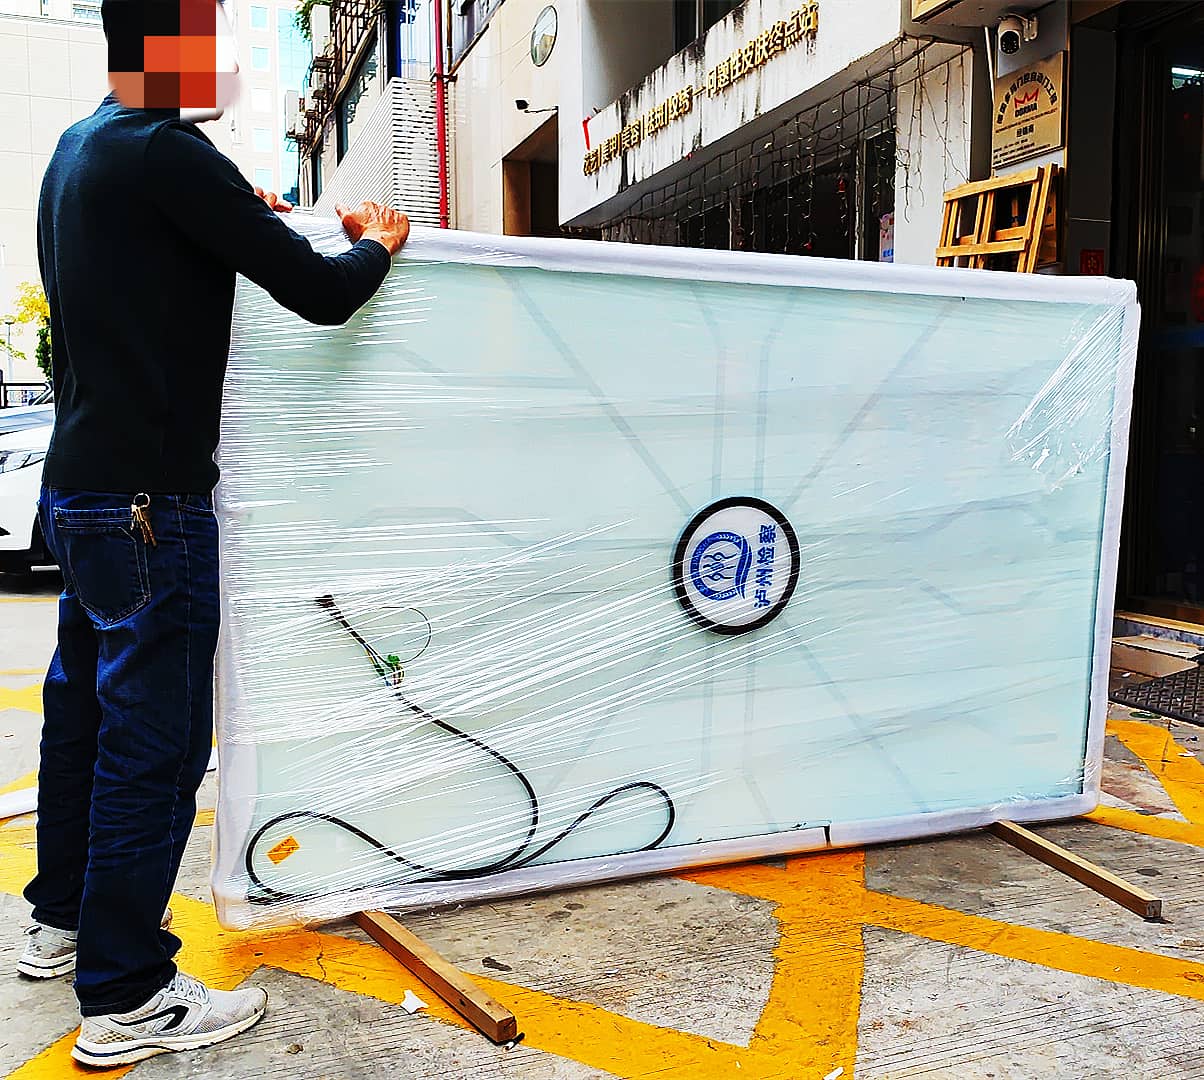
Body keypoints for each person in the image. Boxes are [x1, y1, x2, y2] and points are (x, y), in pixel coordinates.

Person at [16, 0, 409, 1068]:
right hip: (152, 506)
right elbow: (321, 293)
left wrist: (239, 211)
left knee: (84, 722)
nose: (222, 63)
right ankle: (129, 996)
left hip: (82, 491)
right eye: (207, 40)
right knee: (155, 746)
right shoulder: (167, 153)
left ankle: (61, 924)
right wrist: (378, 245)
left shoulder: (80, 150)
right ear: (168, 48)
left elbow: (157, 263)